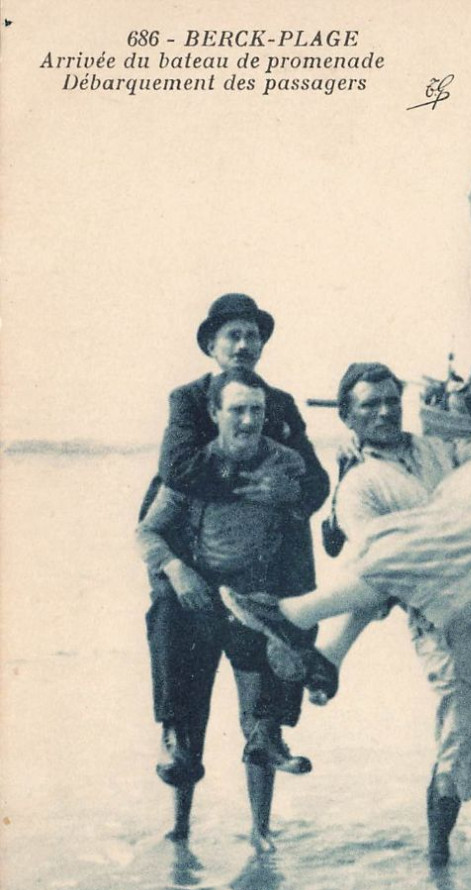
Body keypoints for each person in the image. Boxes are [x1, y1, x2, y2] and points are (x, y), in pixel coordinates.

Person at [223, 357, 471, 871]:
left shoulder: (446, 450)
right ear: (347, 416)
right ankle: (438, 865)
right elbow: (377, 576)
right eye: (370, 406)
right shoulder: (359, 486)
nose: (386, 412)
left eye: (392, 401)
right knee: (458, 733)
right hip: (439, 620)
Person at [223, 354, 471, 637]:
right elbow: (415, 452)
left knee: (410, 546)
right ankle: (310, 631)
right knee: (403, 543)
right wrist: (357, 450)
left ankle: (301, 614)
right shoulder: (470, 445)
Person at [138, 292, 329, 840]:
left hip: (260, 578)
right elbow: (176, 470)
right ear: (211, 346)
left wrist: (287, 490)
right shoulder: (187, 399)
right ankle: (179, 826)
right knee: (181, 677)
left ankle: (261, 830)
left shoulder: (284, 406)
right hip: (196, 560)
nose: (245, 345)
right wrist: (245, 482)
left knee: (264, 707)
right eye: (232, 336)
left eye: (253, 335)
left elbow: (313, 485)